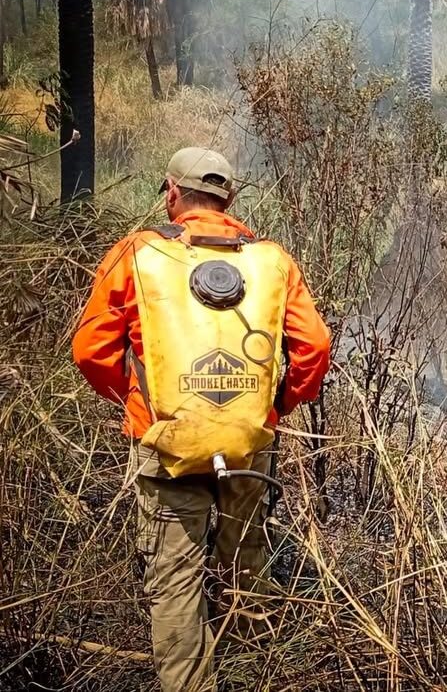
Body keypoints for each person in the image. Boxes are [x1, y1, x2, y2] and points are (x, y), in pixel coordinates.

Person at [73, 147, 331, 692]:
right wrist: (276, 407)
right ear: (229, 198)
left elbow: (90, 351)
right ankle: (255, 670)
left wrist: (137, 405)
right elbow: (315, 347)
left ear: (172, 193)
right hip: (248, 442)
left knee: (175, 582)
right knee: (245, 557)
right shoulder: (272, 260)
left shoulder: (138, 253)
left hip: (167, 444)